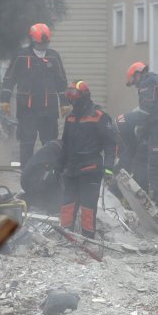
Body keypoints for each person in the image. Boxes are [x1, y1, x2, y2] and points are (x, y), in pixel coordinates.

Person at [0, 23, 69, 166]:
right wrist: (5, 99)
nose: (43, 45)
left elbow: (61, 81)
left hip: (48, 110)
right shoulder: (21, 56)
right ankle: (26, 175)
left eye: (46, 42)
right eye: (40, 43)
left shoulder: (54, 57)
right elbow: (9, 78)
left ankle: (50, 174)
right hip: (27, 110)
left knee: (50, 144)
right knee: (26, 144)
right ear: (32, 40)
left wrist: (64, 103)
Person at [58, 81, 117, 240]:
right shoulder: (70, 118)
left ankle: (88, 239)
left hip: (91, 168)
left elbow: (111, 144)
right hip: (71, 169)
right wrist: (60, 167)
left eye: (75, 97)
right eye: (70, 98)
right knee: (67, 205)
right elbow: (65, 144)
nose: (72, 101)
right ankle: (66, 236)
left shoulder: (99, 117)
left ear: (84, 97)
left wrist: (109, 168)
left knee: (88, 207)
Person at [126, 62, 158, 210]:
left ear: (137, 75)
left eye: (135, 82)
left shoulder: (146, 83)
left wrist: (138, 127)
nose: (136, 86)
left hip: (157, 128)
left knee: (155, 168)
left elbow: (146, 109)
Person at [21, 138, 63, 214]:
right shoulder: (55, 153)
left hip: (27, 181)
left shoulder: (47, 151)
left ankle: (31, 200)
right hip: (34, 184)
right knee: (56, 179)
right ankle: (52, 209)